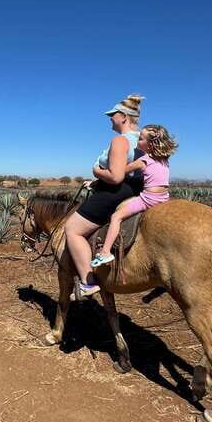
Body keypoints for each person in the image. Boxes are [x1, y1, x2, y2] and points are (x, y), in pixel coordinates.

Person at [64, 94, 144, 298]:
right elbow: (129, 170)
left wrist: (96, 172)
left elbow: (116, 177)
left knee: (72, 229)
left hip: (117, 191)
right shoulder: (143, 139)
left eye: (113, 115)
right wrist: (97, 183)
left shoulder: (120, 140)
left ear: (123, 117)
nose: (110, 118)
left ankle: (87, 282)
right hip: (137, 188)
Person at [91, 124, 177, 267]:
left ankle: (105, 252)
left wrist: (99, 172)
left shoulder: (143, 161)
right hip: (164, 198)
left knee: (116, 216)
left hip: (148, 199)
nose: (137, 141)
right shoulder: (164, 160)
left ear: (150, 145)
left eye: (141, 139)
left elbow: (118, 172)